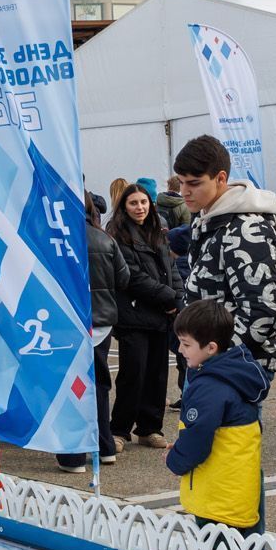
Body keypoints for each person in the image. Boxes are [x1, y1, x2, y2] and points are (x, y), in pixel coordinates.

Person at [175, 136, 276, 374]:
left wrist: (217, 360)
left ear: (221, 178)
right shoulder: (207, 219)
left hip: (232, 368)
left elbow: (262, 313)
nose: (184, 191)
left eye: (193, 183)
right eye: (181, 182)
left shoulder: (246, 229)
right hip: (208, 360)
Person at [165, 299, 268, 534]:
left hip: (218, 498)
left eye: (185, 344)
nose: (180, 350)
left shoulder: (209, 387)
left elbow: (198, 438)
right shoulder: (235, 375)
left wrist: (175, 460)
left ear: (210, 348)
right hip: (237, 492)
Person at [108, 181, 178, 448]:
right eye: (133, 203)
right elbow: (133, 278)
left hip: (160, 315)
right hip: (134, 315)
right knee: (132, 374)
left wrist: (177, 298)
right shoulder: (118, 234)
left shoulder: (158, 232)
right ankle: (120, 429)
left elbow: (173, 270)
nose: (140, 208)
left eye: (143, 202)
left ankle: (150, 428)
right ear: (124, 207)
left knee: (157, 374)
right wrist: (169, 298)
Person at [60, 194, 126, 473]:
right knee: (99, 385)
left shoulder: (56, 239)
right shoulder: (104, 238)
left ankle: (73, 456)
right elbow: (123, 278)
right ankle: (105, 445)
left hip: (67, 324)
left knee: (70, 388)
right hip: (101, 323)